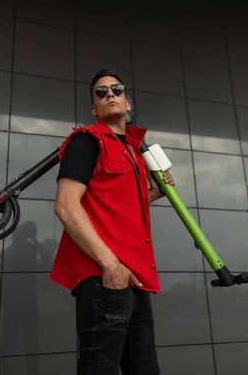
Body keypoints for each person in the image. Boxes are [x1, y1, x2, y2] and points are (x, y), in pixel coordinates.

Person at [50, 69, 175, 374]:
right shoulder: (86, 141)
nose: (110, 95)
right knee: (100, 370)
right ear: (94, 109)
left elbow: (115, 205)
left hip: (136, 277)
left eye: (116, 89)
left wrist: (153, 193)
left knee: (144, 369)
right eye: (101, 92)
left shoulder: (132, 150)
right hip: (104, 277)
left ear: (128, 102)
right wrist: (110, 266)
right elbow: (66, 206)